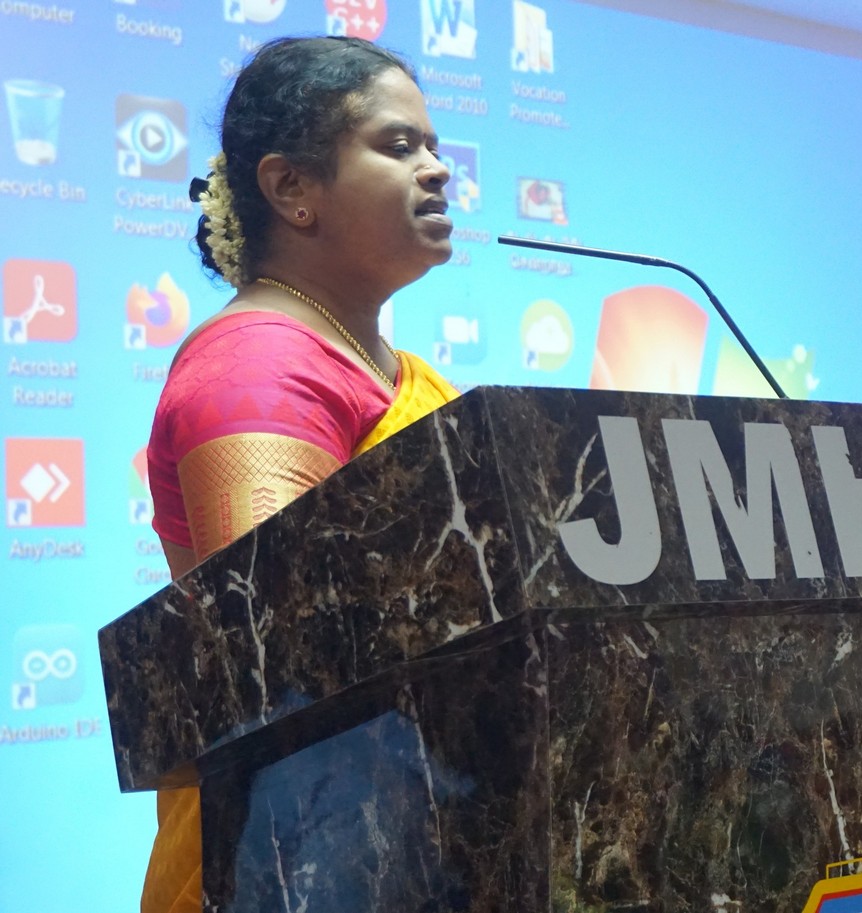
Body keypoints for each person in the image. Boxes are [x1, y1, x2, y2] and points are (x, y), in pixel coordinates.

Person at [141, 36, 459, 913]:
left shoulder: (377, 364)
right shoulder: (259, 367)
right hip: (295, 855)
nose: (438, 169)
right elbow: (286, 660)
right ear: (290, 188)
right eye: (399, 145)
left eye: (433, 146)